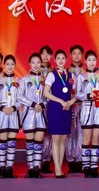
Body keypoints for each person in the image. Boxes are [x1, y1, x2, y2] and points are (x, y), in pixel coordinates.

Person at [44, 49, 77, 178]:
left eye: (63, 58)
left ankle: (61, 168)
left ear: (66, 59)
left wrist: (71, 102)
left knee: (63, 139)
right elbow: (46, 93)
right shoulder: (51, 75)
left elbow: (76, 93)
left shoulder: (71, 75)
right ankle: (57, 169)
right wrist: (61, 101)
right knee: (56, 138)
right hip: (55, 108)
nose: (61, 60)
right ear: (55, 60)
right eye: (58, 58)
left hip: (66, 109)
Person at [75, 50, 99, 177]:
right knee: (86, 138)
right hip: (87, 109)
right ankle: (86, 167)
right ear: (85, 61)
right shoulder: (81, 76)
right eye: (89, 60)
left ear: (97, 61)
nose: (92, 62)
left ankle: (94, 167)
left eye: (94, 60)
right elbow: (77, 94)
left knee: (96, 138)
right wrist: (88, 95)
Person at [0, 54, 20, 179]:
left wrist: (13, 108)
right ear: (4, 65)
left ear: (15, 65)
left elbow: (22, 98)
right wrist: (2, 108)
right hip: (2, 113)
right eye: (7, 64)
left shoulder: (19, 81)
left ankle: (9, 168)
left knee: (12, 143)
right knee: (2, 142)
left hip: (13, 113)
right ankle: (2, 168)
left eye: (12, 64)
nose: (10, 66)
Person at [18, 53, 47, 178]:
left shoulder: (45, 80)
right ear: (29, 64)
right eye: (33, 62)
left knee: (38, 142)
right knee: (30, 143)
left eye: (38, 62)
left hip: (41, 114)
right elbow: (19, 96)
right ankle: (30, 168)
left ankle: (37, 168)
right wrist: (33, 104)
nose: (36, 65)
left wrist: (43, 105)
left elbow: (49, 96)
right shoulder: (24, 79)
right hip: (29, 113)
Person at [66, 45, 85, 173]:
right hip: (70, 105)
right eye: (74, 53)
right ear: (70, 55)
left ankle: (80, 159)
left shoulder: (87, 72)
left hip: (83, 105)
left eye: (79, 53)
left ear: (82, 55)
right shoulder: (66, 72)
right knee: (70, 133)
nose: (77, 56)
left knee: (81, 133)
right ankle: (70, 160)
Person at [38, 45, 54, 173]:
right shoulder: (34, 72)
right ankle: (36, 161)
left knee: (49, 134)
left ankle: (46, 161)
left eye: (47, 53)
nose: (45, 56)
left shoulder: (54, 72)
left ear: (51, 56)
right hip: (38, 107)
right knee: (38, 133)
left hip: (51, 106)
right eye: (43, 53)